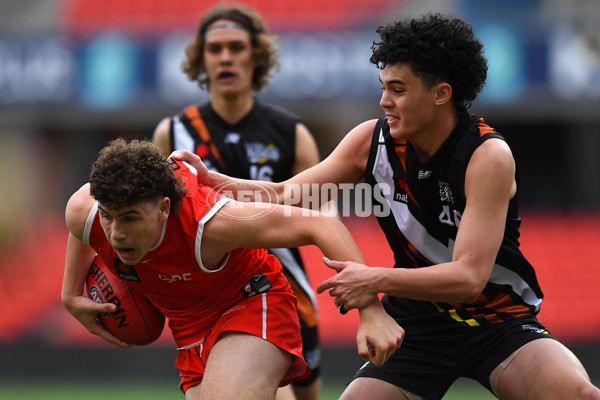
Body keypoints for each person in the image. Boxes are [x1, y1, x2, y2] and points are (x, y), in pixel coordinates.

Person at [174, 13, 600, 400]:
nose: (384, 101)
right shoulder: (369, 142)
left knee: (577, 394)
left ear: (441, 94)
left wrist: (373, 278)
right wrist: (223, 183)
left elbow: (468, 279)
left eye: (398, 90)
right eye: (383, 88)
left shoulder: (487, 156)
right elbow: (288, 194)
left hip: (498, 321)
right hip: (416, 326)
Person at [61, 139, 403, 400]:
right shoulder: (83, 211)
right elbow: (83, 228)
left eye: (131, 218)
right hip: (190, 330)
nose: (117, 234)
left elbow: (321, 226)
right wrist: (70, 293)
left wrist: (370, 310)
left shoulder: (212, 223)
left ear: (164, 208)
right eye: (108, 216)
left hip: (250, 300)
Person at [152, 6, 324, 399]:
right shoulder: (173, 132)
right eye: (214, 49)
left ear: (256, 56)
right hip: (210, 294)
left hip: (285, 287)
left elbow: (317, 211)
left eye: (236, 47)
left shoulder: (291, 133)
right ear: (201, 59)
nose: (226, 57)